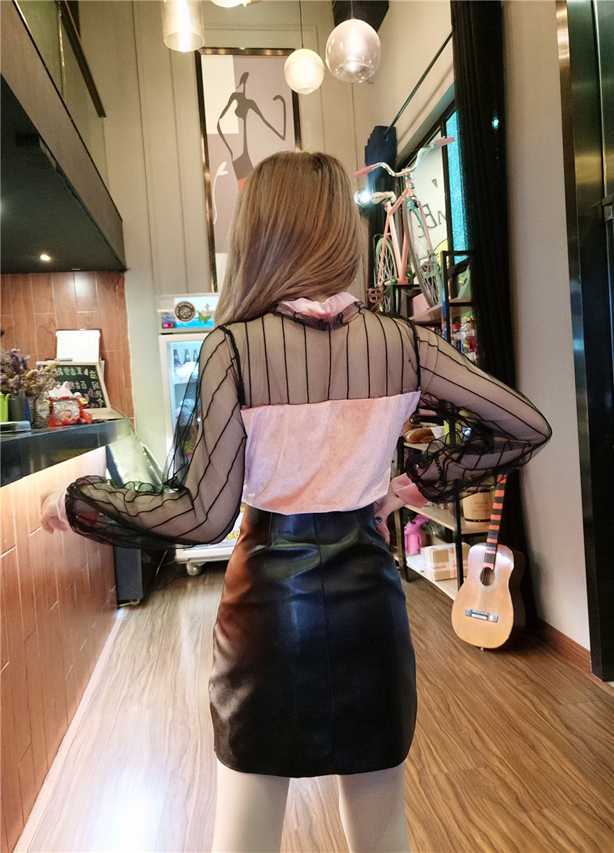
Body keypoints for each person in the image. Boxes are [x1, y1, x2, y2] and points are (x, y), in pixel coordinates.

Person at [41, 150, 551, 853]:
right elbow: (525, 427)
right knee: (383, 838)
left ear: (260, 231)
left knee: (244, 842)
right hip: (370, 608)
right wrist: (406, 489)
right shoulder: (403, 344)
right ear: (339, 228)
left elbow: (203, 516)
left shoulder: (233, 350)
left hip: (266, 619)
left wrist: (79, 502)